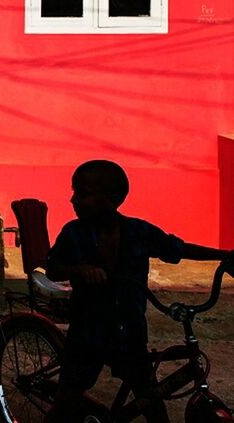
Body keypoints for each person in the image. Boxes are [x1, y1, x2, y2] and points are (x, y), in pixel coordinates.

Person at [44, 159, 232, 422]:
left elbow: (177, 248)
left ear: (112, 199)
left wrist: (225, 255)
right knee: (66, 401)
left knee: (150, 398)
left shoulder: (138, 232)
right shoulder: (73, 233)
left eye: (83, 194)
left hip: (130, 332)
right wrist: (79, 270)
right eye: (75, 192)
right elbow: (52, 267)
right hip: (87, 332)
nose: (73, 200)